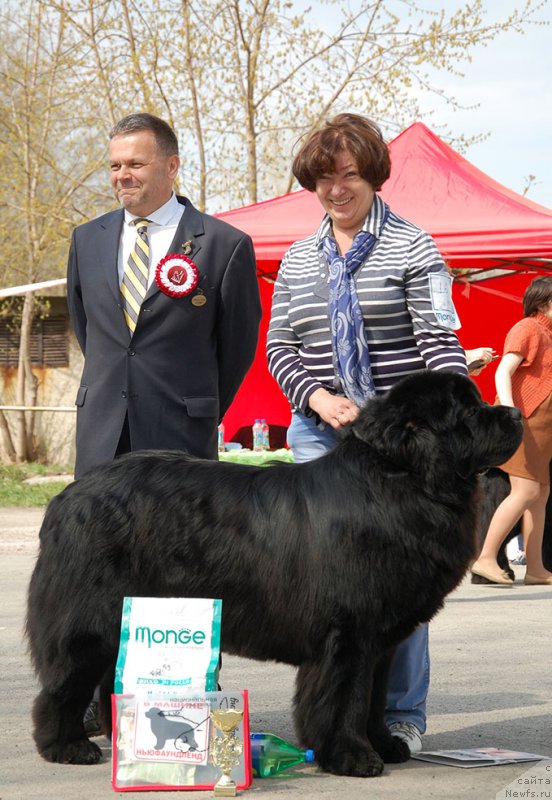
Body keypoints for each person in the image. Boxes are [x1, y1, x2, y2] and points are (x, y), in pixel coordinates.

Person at [266, 113, 468, 753]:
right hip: (321, 437)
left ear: (374, 176)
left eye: (348, 175)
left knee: (401, 582)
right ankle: (335, 718)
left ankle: (400, 714)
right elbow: (279, 347)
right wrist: (318, 398)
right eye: (323, 179)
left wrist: (451, 416)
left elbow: (440, 341)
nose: (336, 190)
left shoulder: (415, 246)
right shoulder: (297, 258)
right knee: (325, 591)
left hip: (397, 450)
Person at [67, 113, 261, 479]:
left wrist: (199, 407)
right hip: (101, 435)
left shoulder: (224, 244)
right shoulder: (86, 239)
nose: (122, 175)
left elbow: (238, 347)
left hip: (180, 438)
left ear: (172, 166)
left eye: (135, 164)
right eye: (115, 165)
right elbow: (87, 329)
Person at [471, 276, 552, 586]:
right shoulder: (528, 327)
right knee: (526, 492)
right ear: (544, 302)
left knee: (540, 496)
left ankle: (536, 568)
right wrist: (509, 412)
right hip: (526, 422)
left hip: (543, 428)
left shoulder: (548, 333)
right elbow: (504, 369)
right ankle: (485, 558)